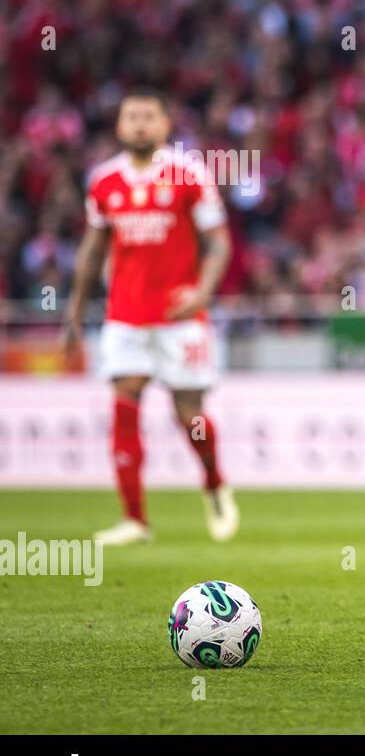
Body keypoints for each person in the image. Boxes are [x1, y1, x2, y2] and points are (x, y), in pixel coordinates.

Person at [63, 91, 237, 545]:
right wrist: (74, 309)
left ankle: (215, 484)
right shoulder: (103, 181)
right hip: (125, 314)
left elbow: (218, 243)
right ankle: (135, 519)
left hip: (180, 315)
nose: (140, 124)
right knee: (125, 404)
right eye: (131, 117)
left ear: (165, 125)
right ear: (119, 127)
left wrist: (201, 290)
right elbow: (93, 247)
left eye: (148, 116)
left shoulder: (189, 174)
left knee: (190, 416)